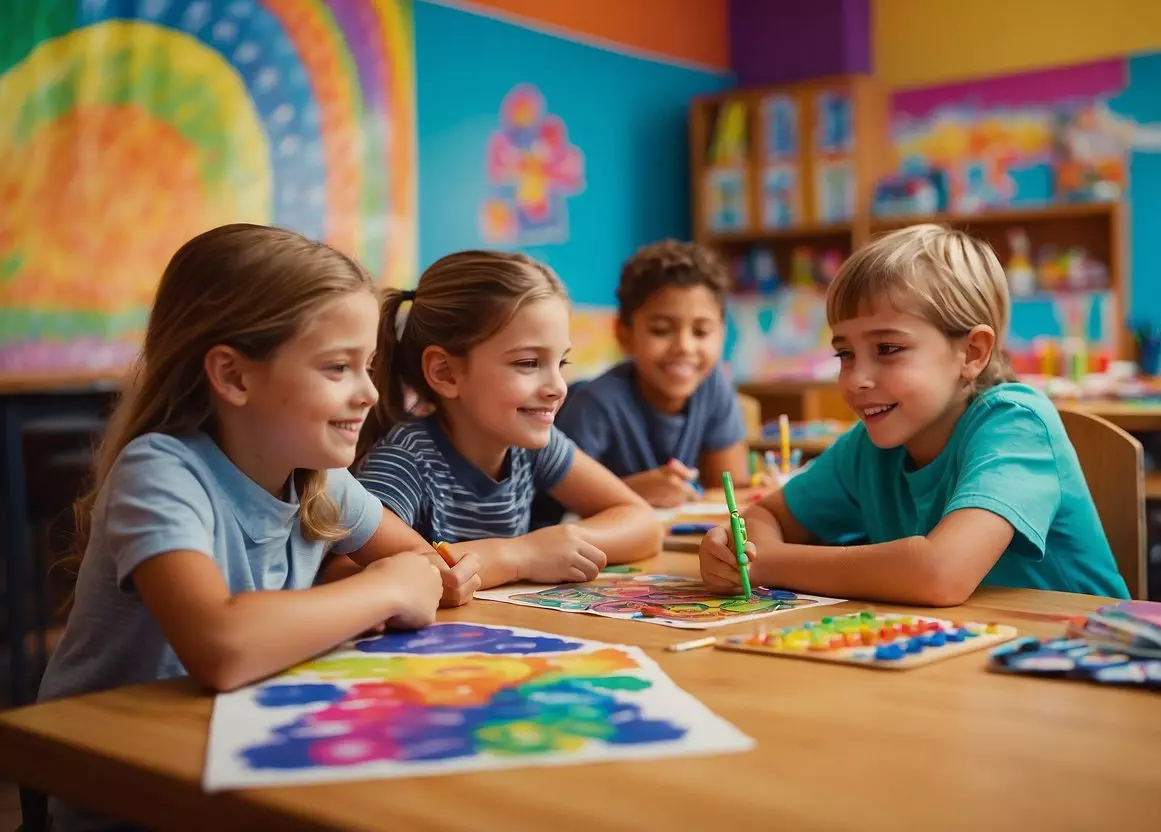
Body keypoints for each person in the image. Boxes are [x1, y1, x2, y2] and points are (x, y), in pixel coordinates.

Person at [37, 224, 478, 832]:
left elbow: (434, 572)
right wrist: (384, 590)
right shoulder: (161, 471)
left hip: (243, 761)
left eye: (369, 365)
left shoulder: (318, 477)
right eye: (338, 368)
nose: (369, 394)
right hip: (127, 799)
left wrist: (394, 581)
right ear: (235, 377)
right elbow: (222, 646)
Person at [699, 224, 1129, 604]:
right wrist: (734, 550)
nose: (856, 379)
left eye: (888, 349)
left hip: (1085, 664)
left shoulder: (1016, 423)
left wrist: (766, 564)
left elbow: (939, 574)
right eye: (845, 353)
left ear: (971, 353)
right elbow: (765, 516)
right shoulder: (869, 446)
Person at [354, 250, 662, 589]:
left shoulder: (529, 445)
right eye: (529, 363)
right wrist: (521, 555)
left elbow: (643, 522)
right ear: (446, 373)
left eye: (561, 363)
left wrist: (565, 539)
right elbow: (347, 570)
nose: (558, 388)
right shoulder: (405, 460)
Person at [552, 240, 749, 509]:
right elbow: (553, 507)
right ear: (625, 334)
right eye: (660, 330)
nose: (684, 347)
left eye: (701, 332)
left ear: (722, 334)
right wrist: (629, 493)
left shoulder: (714, 386)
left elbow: (727, 492)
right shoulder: (594, 404)